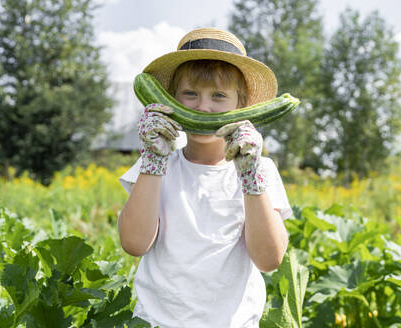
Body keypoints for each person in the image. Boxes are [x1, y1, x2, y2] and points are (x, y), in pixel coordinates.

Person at [118, 27, 292, 328]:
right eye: (190, 94)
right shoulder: (156, 164)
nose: (203, 107)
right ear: (170, 99)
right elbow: (134, 243)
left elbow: (269, 259)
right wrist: (153, 159)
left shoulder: (261, 171)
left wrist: (249, 175)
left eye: (219, 96)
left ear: (242, 105)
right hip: (156, 321)